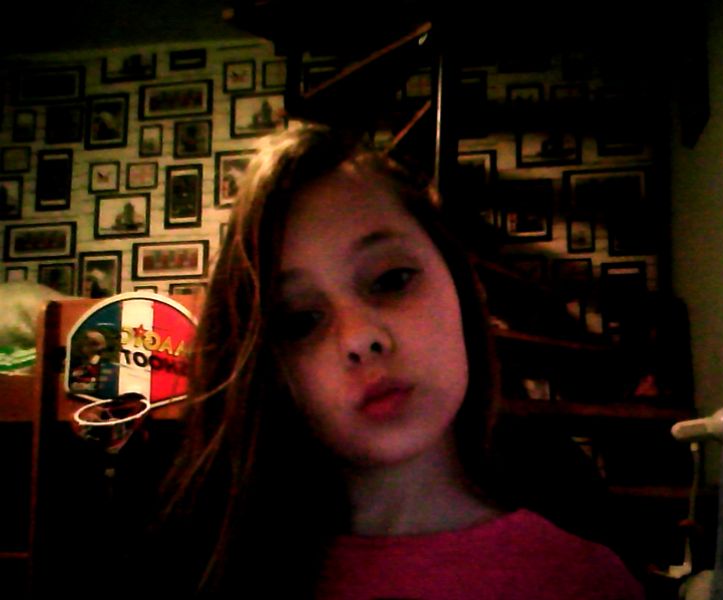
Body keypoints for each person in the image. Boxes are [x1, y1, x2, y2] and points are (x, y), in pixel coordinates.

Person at [149, 121, 645, 599]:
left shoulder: (581, 580)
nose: (359, 338)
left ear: (461, 284)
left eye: (391, 279)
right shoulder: (205, 571)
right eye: (301, 320)